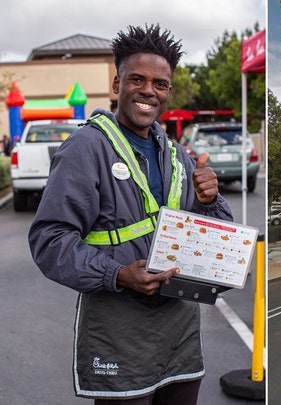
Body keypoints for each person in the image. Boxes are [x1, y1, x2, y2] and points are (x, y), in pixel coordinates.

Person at [28, 24, 232, 404]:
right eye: (137, 79)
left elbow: (214, 238)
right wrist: (118, 274)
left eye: (160, 83)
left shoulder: (177, 155)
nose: (148, 91)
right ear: (117, 82)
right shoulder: (86, 149)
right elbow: (49, 239)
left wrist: (210, 199)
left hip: (180, 328)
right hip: (118, 328)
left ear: (168, 91)